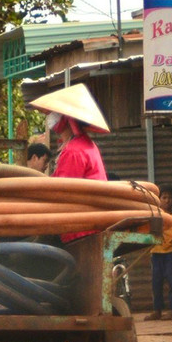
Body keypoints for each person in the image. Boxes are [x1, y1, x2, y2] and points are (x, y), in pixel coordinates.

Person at [29, 84, 109, 242]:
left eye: (55, 113)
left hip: (79, 227)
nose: (51, 116)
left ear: (66, 119)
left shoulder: (74, 150)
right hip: (87, 221)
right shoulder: (84, 144)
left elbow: (62, 192)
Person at [144, 184, 172, 321]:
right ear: (159, 198)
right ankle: (157, 310)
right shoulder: (154, 215)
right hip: (155, 253)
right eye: (164, 197)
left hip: (169, 253)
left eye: (170, 198)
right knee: (156, 282)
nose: (167, 200)